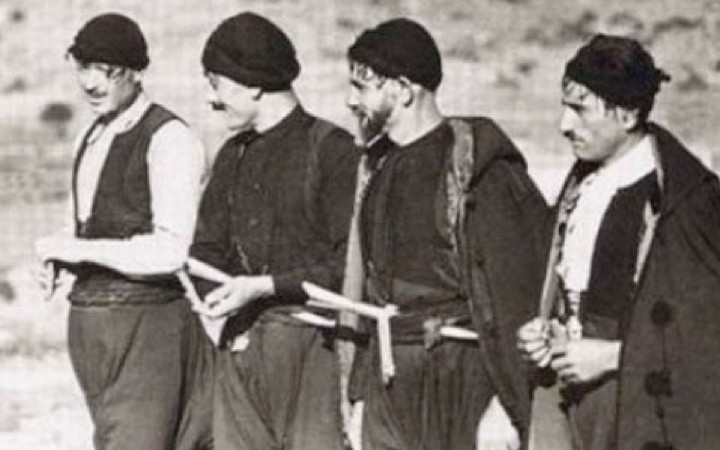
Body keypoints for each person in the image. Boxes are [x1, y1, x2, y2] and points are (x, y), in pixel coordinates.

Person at [342, 18, 549, 450]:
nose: (350, 100)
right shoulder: (377, 169)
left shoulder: (481, 173)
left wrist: (507, 403)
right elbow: (371, 297)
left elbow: (520, 296)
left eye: (361, 87)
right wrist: (361, 395)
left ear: (402, 89)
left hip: (461, 377)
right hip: (389, 380)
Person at [517, 34, 720, 450]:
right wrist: (546, 330)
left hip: (638, 409)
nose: (564, 125)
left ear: (627, 115)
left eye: (580, 109)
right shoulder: (580, 185)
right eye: (564, 107)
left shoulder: (686, 202)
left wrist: (615, 357)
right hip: (566, 404)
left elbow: (706, 336)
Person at [35, 13, 212, 450]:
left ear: (136, 72)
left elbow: (171, 251)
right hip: (92, 332)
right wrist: (59, 262)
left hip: (149, 329)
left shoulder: (170, 138)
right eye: (83, 67)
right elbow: (81, 228)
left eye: (107, 71)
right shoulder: (87, 136)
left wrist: (79, 251)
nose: (91, 83)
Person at [189, 12, 358, 449]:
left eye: (216, 84)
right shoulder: (232, 155)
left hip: (315, 351)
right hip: (240, 352)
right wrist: (218, 300)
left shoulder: (333, 151)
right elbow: (205, 250)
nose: (210, 99)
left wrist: (265, 287)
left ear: (253, 85)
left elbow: (352, 268)